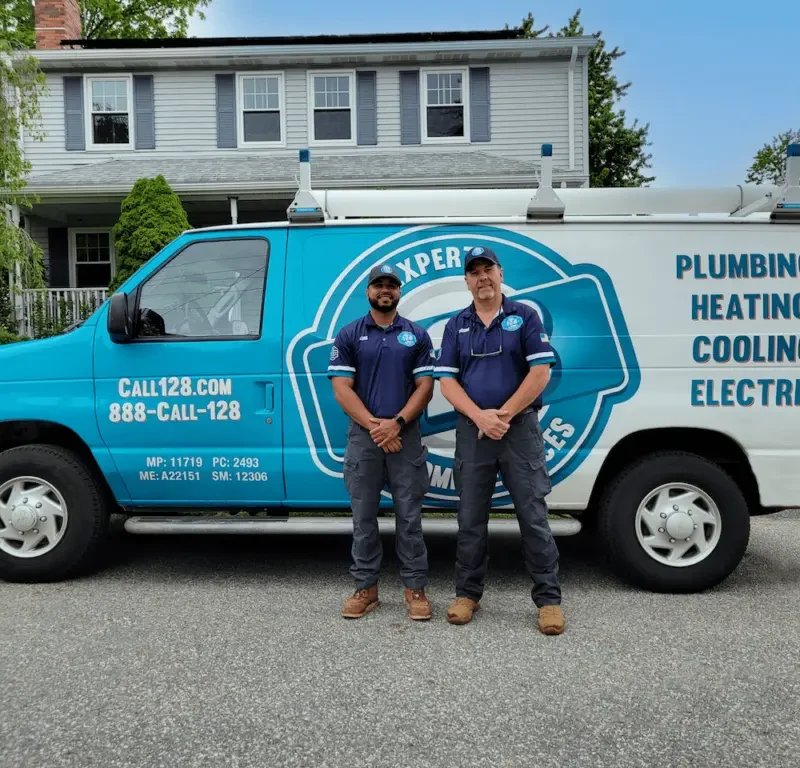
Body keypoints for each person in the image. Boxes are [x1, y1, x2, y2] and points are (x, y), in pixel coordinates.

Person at [433, 246, 565, 635]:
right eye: (474, 272)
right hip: (474, 433)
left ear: (500, 273)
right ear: (467, 281)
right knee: (470, 518)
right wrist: (479, 417)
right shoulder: (455, 324)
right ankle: (467, 594)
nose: (482, 278)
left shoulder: (524, 317)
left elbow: (539, 372)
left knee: (533, 516)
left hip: (518, 430)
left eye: (487, 269)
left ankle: (549, 600)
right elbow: (447, 380)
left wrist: (502, 416)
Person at [328, 263, 436, 621]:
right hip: (365, 438)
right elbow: (341, 389)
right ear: (368, 291)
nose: (385, 290)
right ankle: (365, 588)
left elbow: (425, 387)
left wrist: (398, 423)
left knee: (409, 517)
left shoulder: (417, 336)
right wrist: (378, 427)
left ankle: (415, 588)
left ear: (399, 292)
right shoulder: (348, 334)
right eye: (379, 285)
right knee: (364, 518)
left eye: (391, 285)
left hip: (405, 436)